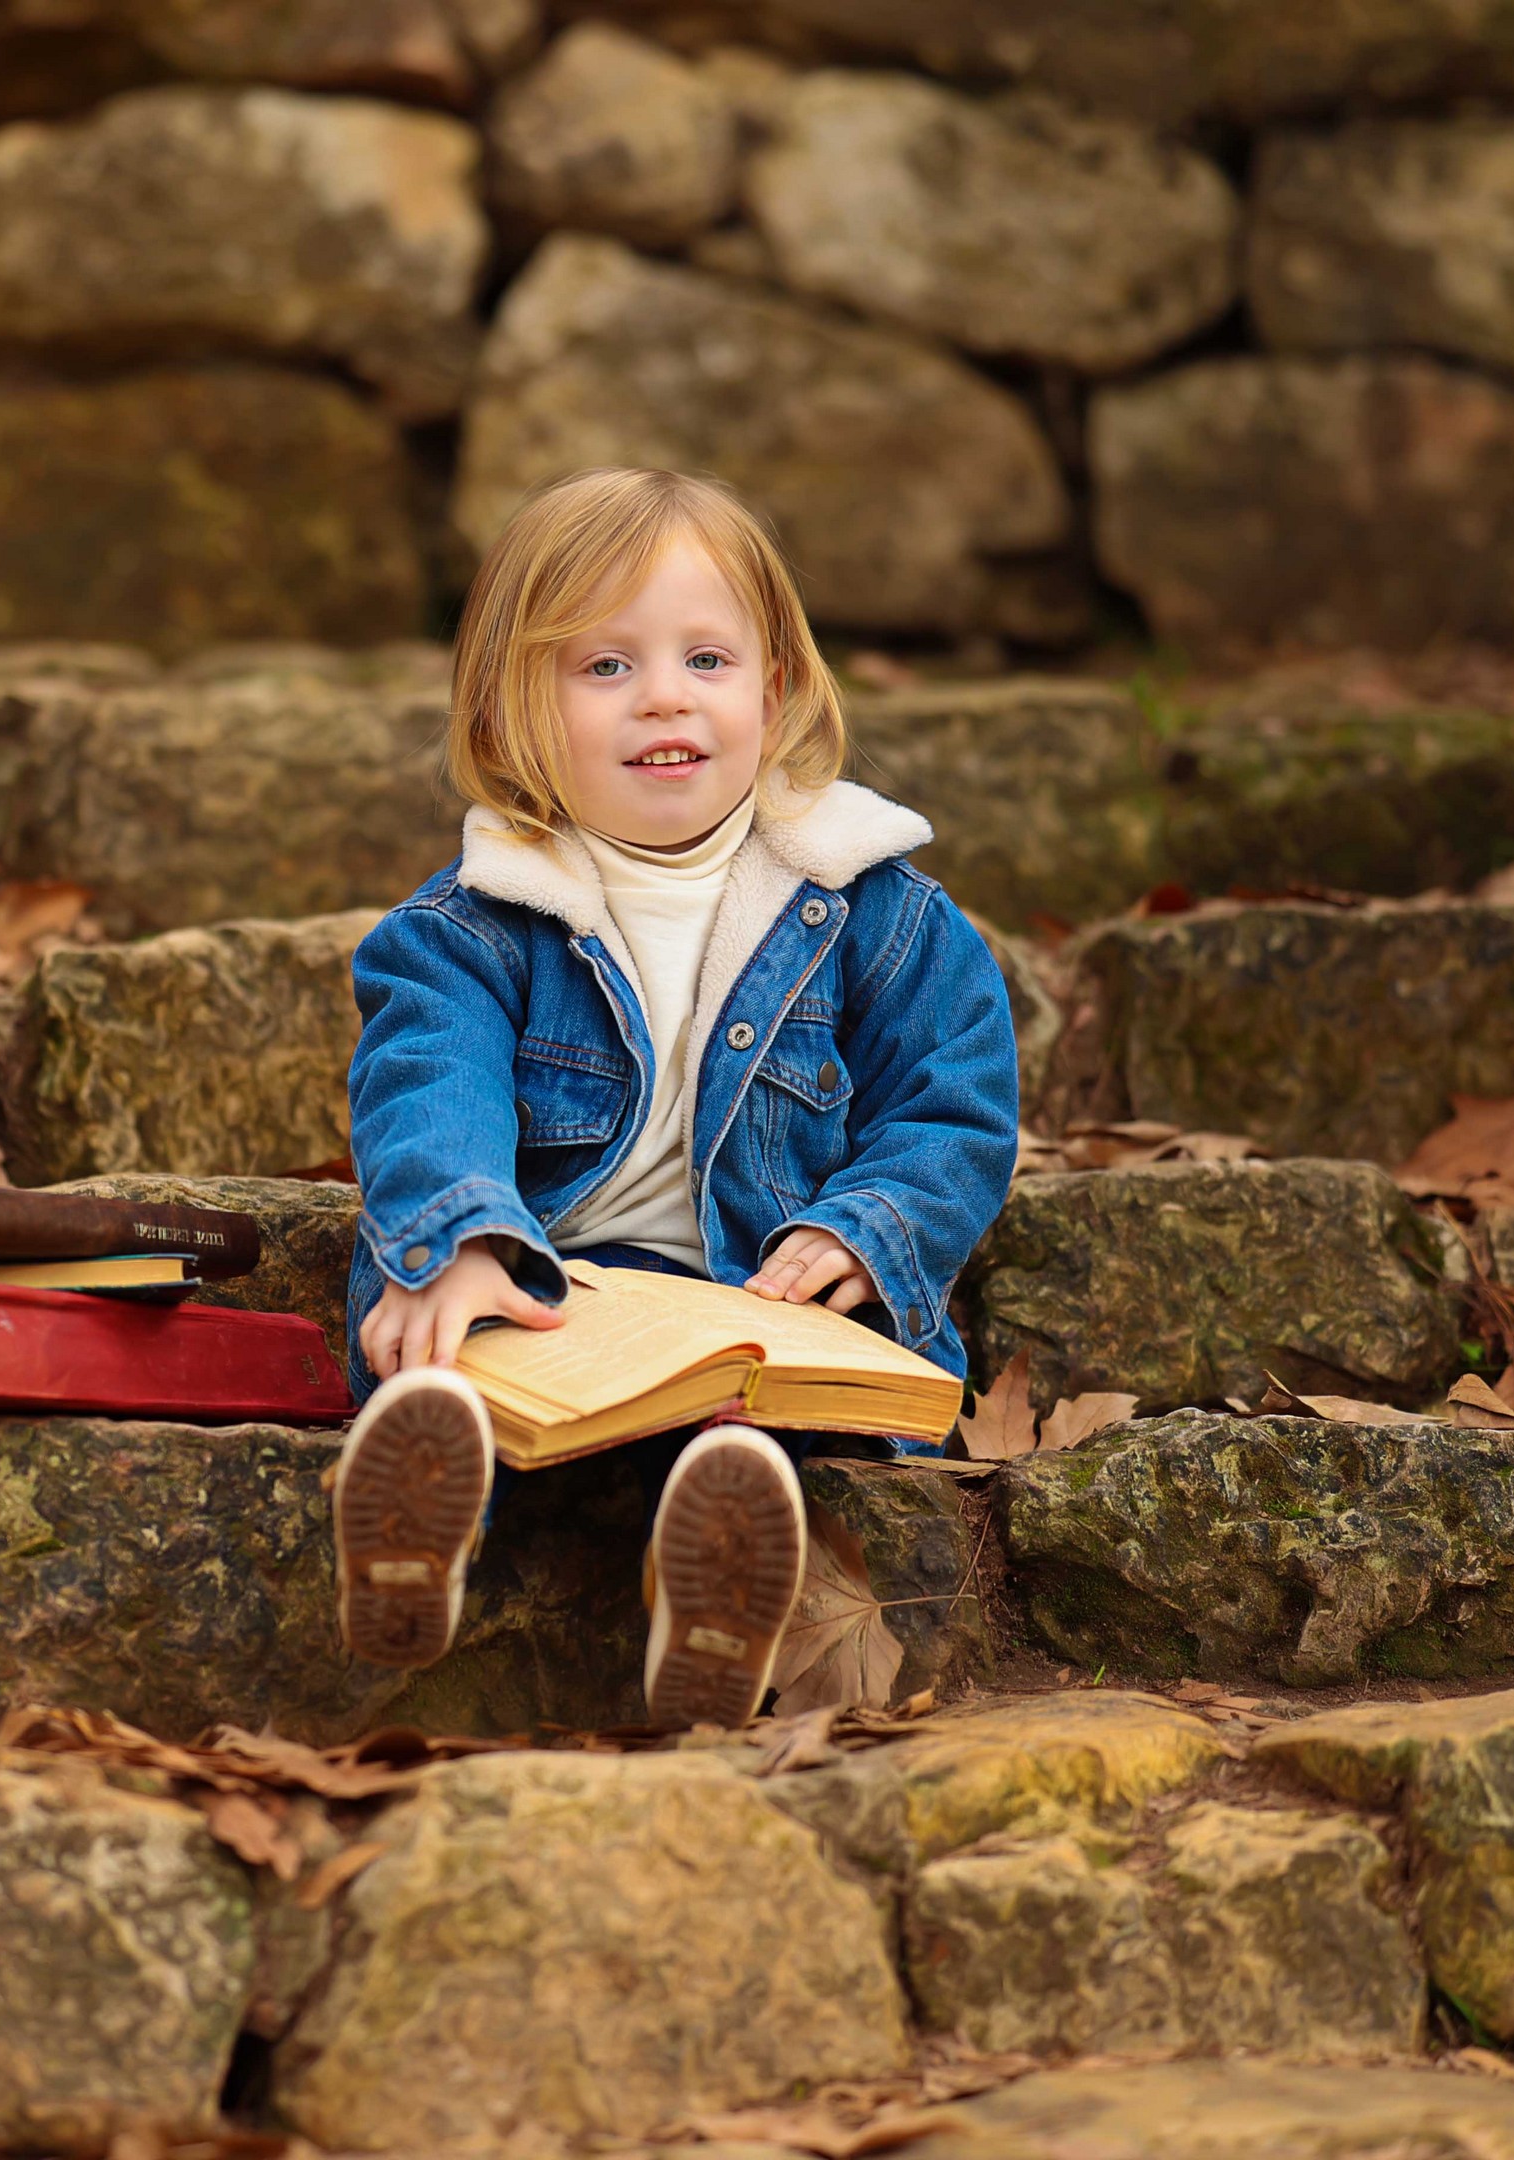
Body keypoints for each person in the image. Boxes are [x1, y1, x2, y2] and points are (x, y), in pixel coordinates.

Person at [330, 466, 1019, 1727]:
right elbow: (429, 1082)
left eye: (708, 659)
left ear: (778, 687)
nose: (664, 696)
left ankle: (721, 1558)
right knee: (437, 1318)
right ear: (509, 710)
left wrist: (863, 1229)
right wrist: (466, 1235)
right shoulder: (472, 925)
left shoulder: (877, 910)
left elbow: (954, 1104)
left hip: (751, 1283)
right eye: (604, 667)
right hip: (544, 1279)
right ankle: (423, 1508)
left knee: (762, 1401)